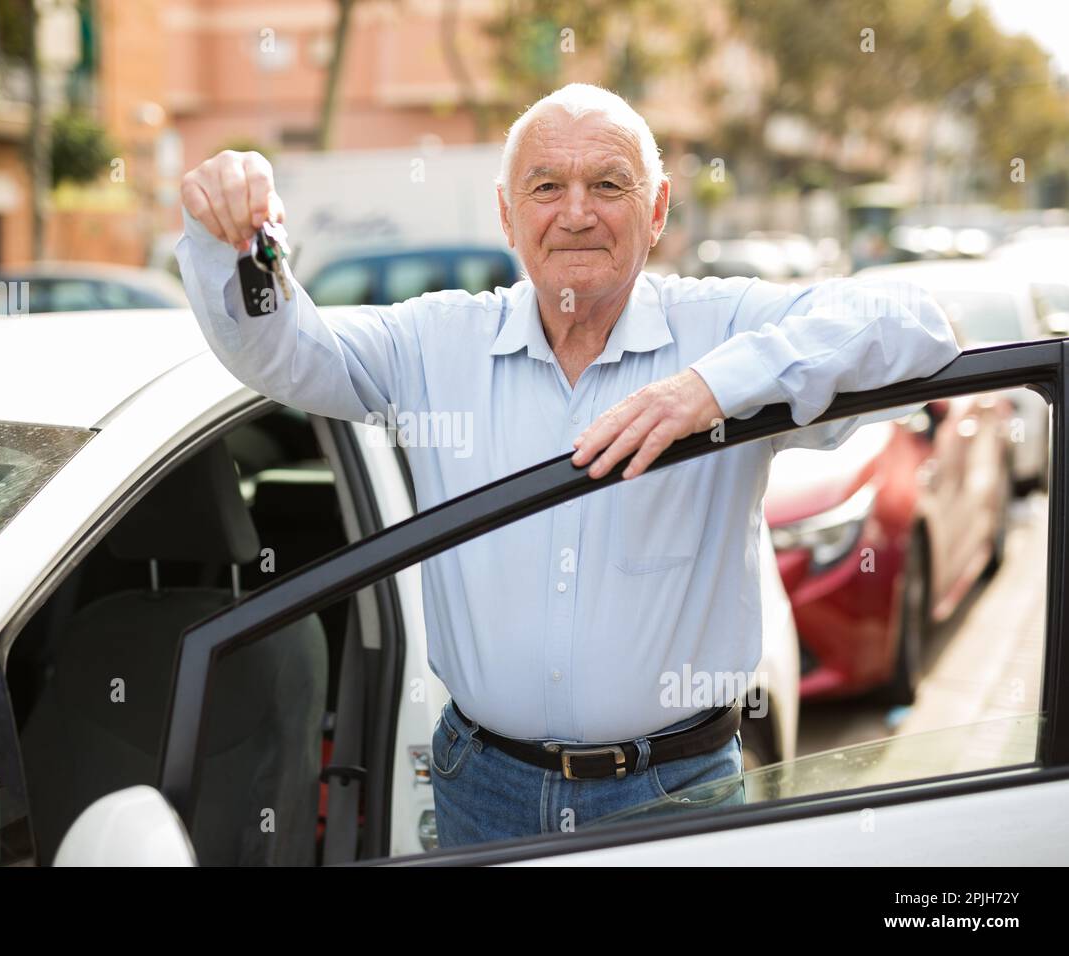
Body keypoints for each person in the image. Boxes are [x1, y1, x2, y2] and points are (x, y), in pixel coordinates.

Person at [174, 83, 960, 848]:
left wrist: (710, 389)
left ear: (656, 212)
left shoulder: (721, 327)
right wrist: (228, 239)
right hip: (479, 785)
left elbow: (918, 329)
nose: (576, 212)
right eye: (546, 185)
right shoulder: (437, 343)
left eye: (608, 184)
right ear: (507, 213)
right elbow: (285, 356)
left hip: (673, 793)